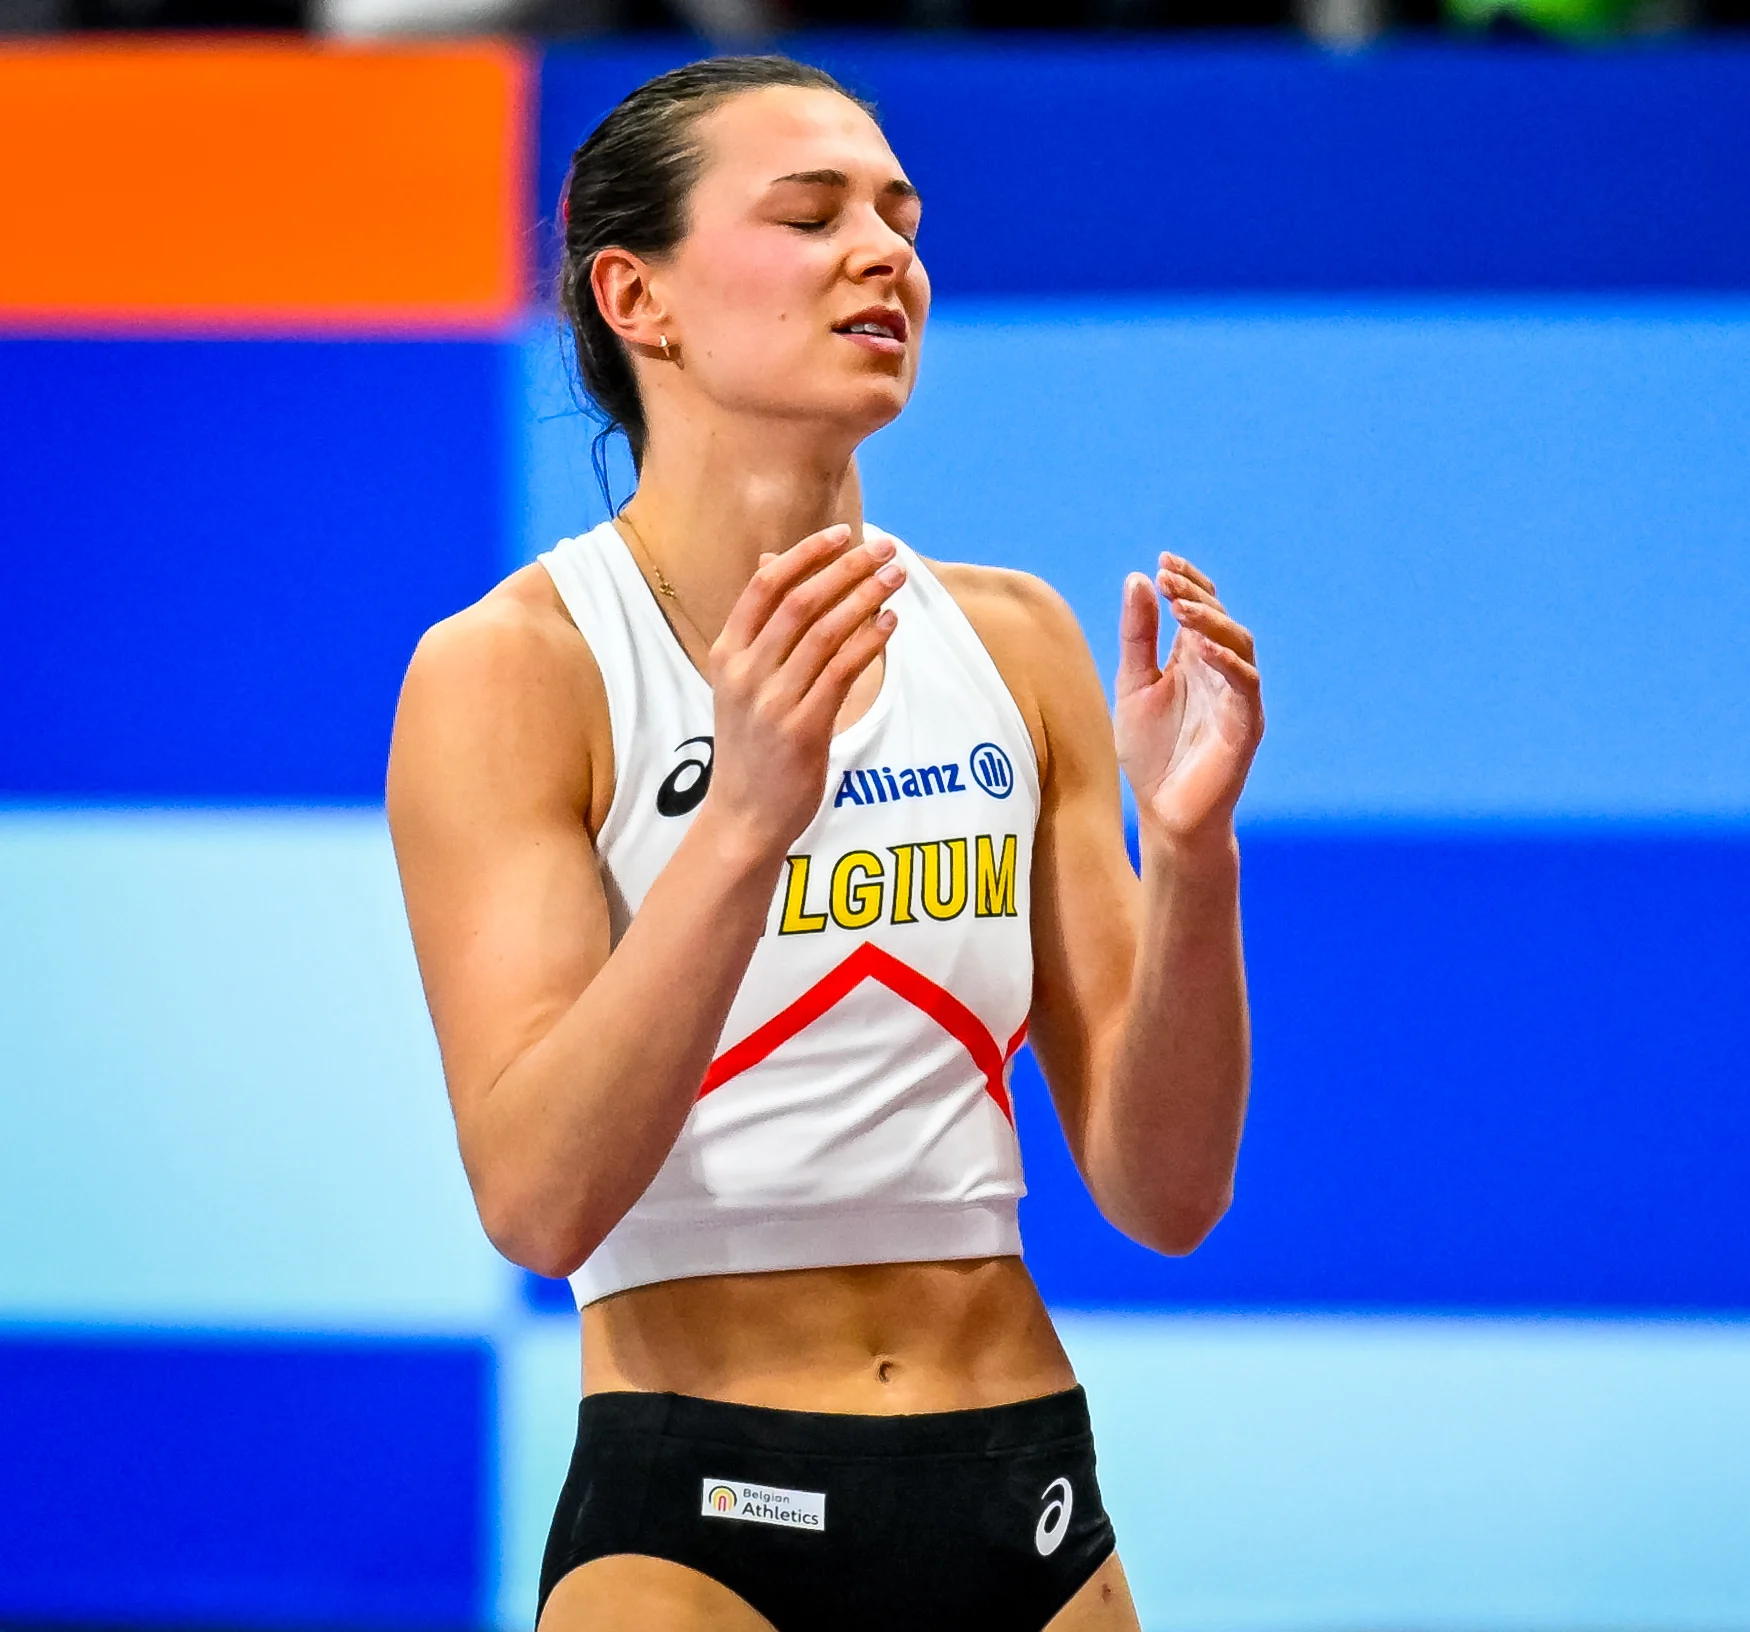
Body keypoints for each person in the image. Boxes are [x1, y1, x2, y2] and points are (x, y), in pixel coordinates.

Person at [386, 55, 1262, 1631]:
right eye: (810, 215)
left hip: (1029, 1489)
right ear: (635, 297)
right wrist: (745, 823)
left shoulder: (1014, 640)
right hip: (696, 1513)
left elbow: (1164, 1191)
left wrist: (1192, 858)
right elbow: (536, 1201)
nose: (885, 252)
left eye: (900, 215)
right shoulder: (521, 668)